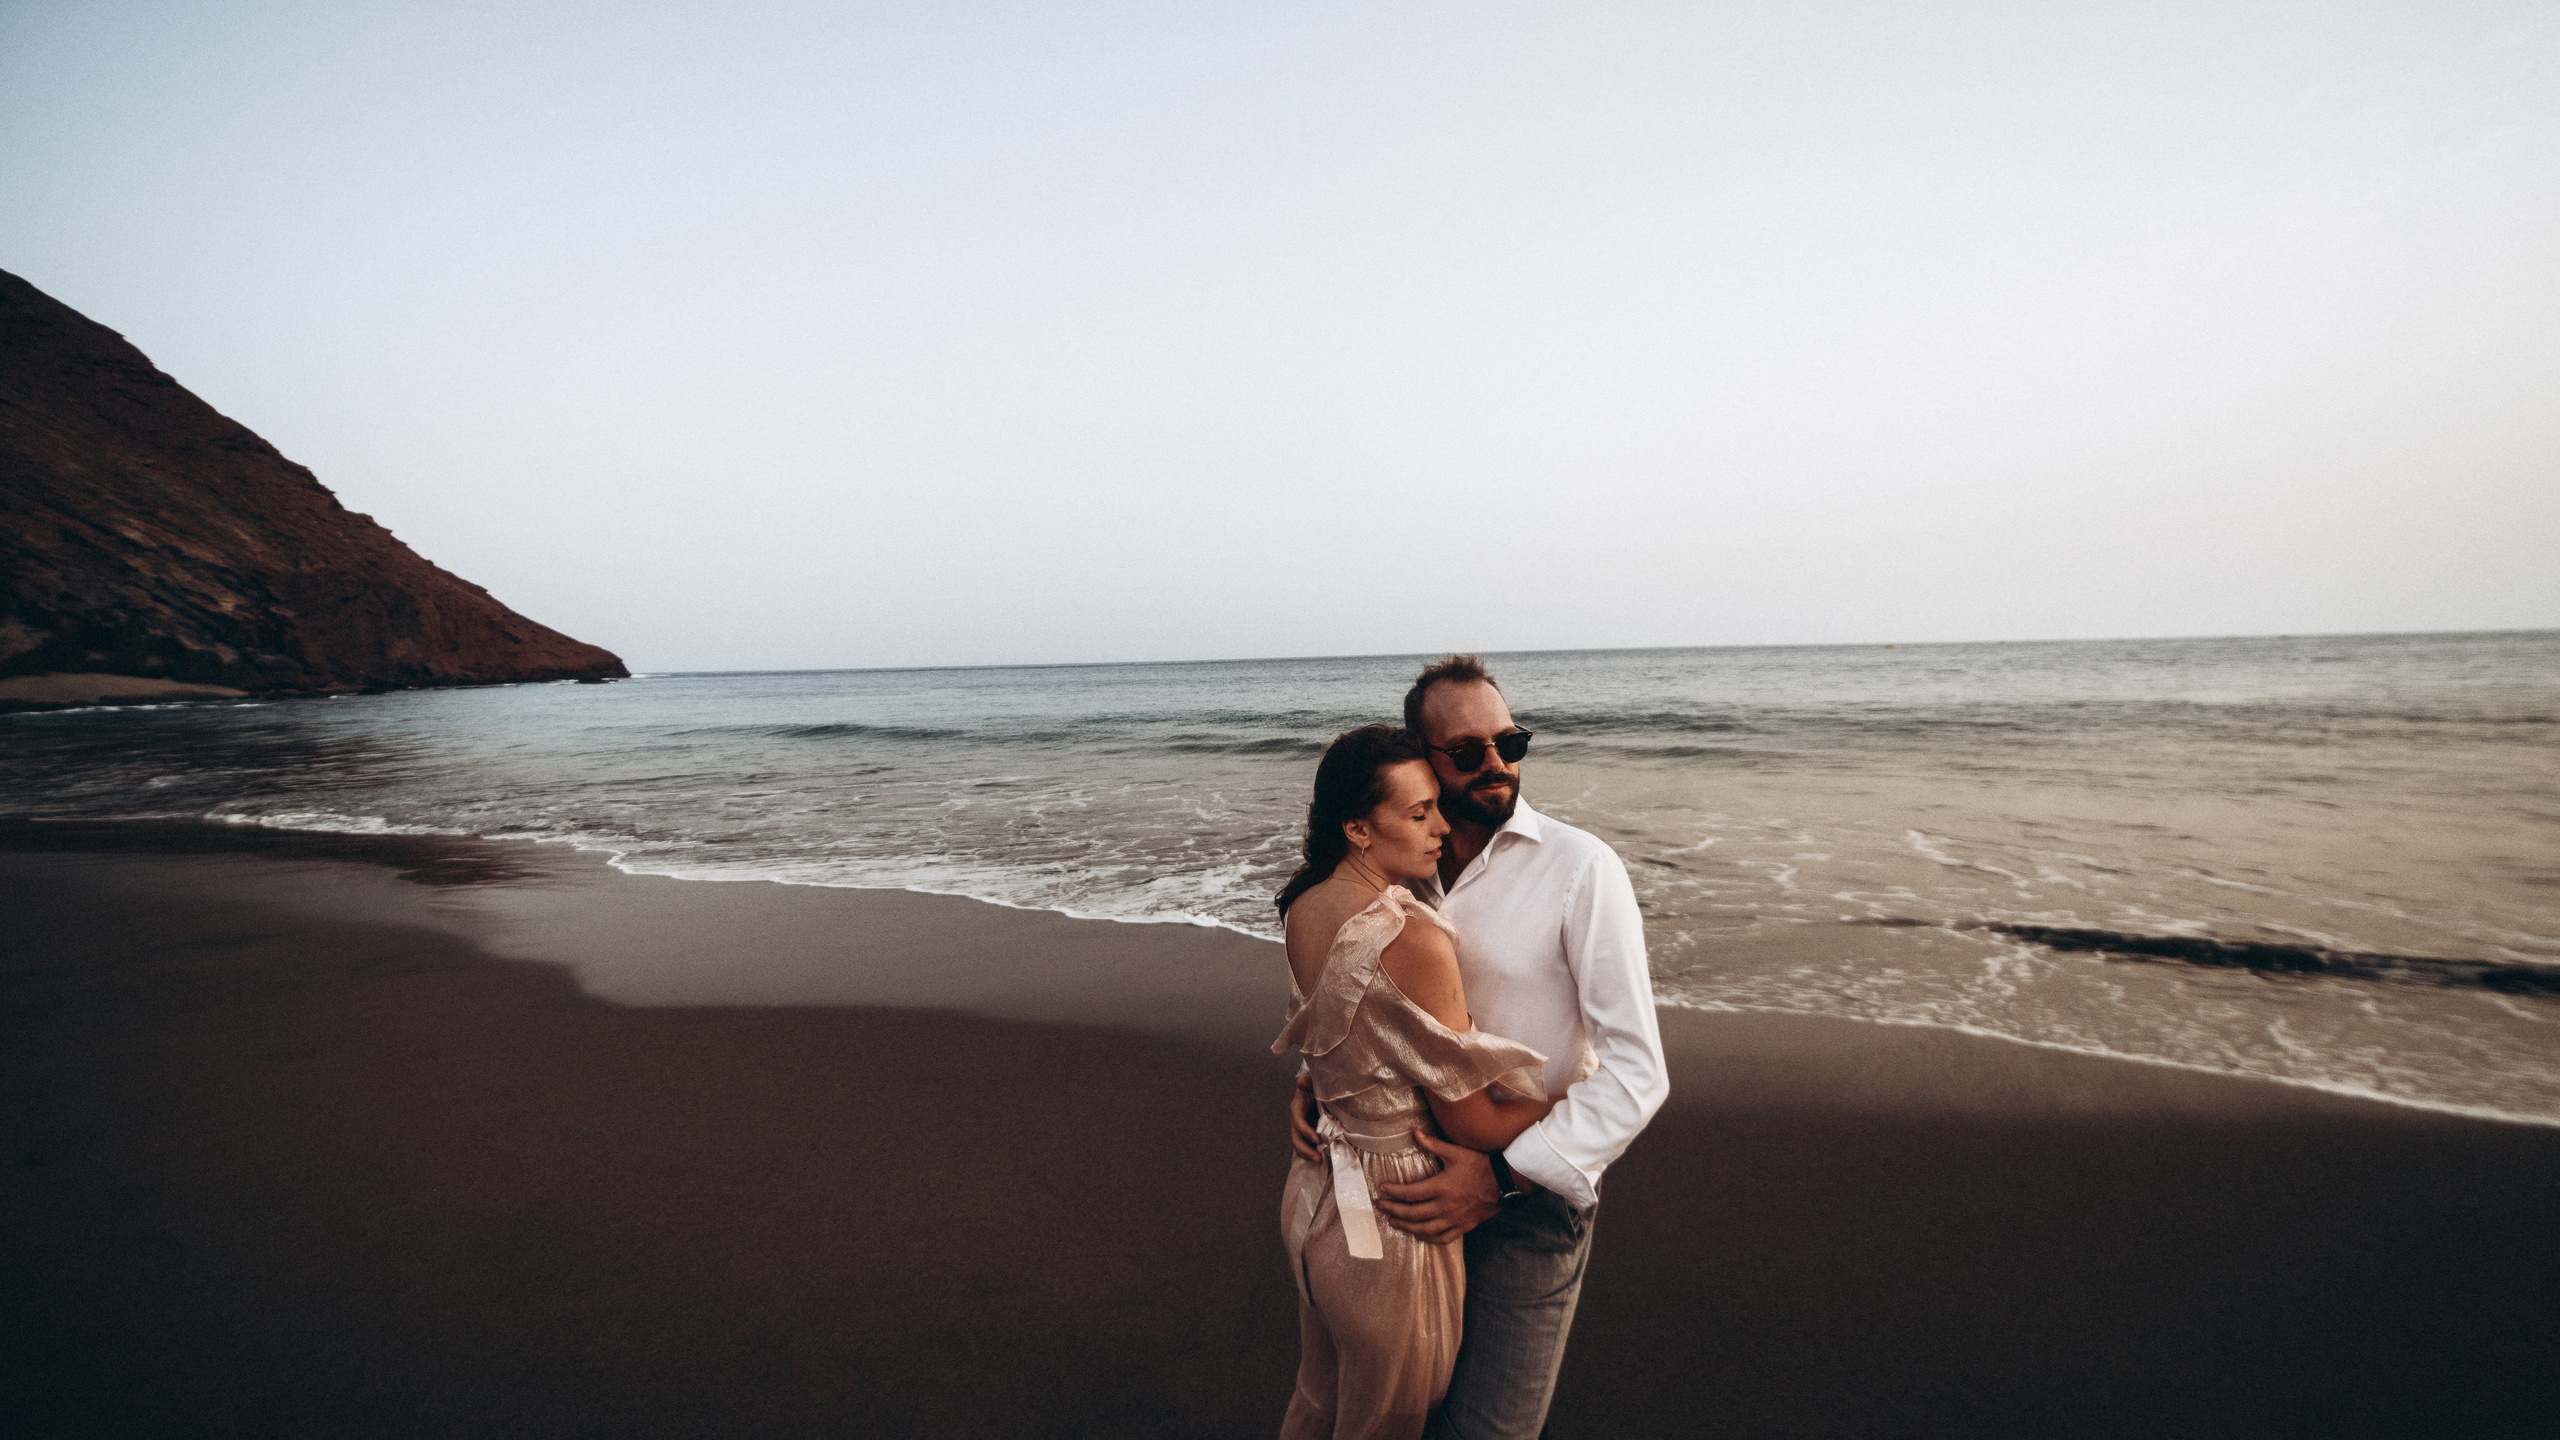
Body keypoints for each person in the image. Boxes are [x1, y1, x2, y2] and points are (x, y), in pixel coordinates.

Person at [1288, 656, 1669, 1439]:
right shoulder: (1401, 873)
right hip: (1402, 1195)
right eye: (1467, 752)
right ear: (1421, 760)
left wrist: (1501, 1178)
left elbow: (1638, 1074)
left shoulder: (1580, 869)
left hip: (1527, 1204)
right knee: (1398, 1409)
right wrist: (1319, 1082)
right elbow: (1362, 996)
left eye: (1510, 741)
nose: (1497, 764)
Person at [1274, 724, 1558, 1440]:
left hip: (1312, 1197)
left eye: (1438, 806)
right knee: (1388, 1424)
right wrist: (1574, 1100)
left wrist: (1311, 1093)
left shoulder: (1305, 905)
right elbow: (1470, 1125)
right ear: (1359, 829)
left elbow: (1328, 1040)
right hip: (1392, 1216)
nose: (1441, 827)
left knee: (1317, 1402)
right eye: (1419, 813)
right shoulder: (1414, 935)